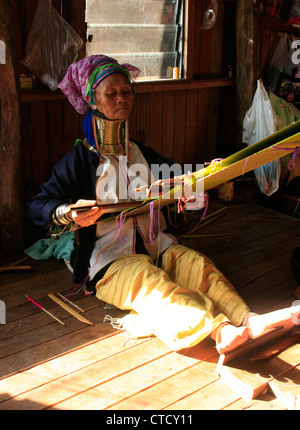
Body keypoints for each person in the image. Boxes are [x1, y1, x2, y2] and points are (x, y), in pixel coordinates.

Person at [29, 55, 300, 354]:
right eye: (111, 93)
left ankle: (249, 320)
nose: (122, 99)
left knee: (199, 265)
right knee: (153, 284)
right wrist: (67, 213)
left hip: (159, 246)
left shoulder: (139, 152)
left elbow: (181, 176)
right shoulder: (79, 161)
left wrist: (206, 176)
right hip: (109, 262)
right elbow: (40, 203)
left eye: (126, 91)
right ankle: (220, 331)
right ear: (93, 100)